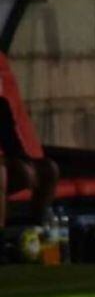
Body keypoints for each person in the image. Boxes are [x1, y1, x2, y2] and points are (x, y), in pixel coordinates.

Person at [0, 52, 59, 231]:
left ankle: (38, 225)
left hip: (8, 159)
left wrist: (24, 161)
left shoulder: (1, 106)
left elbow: (12, 142)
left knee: (49, 169)